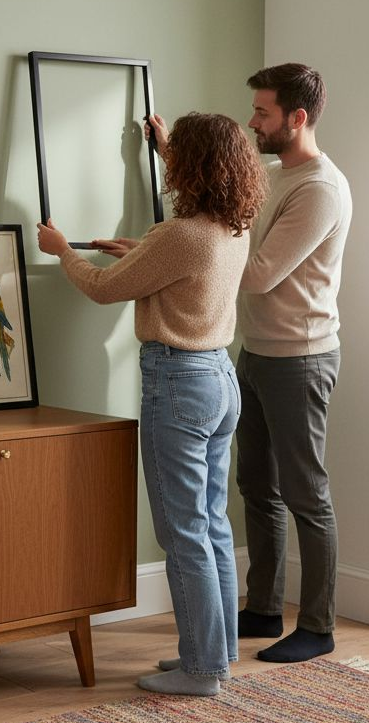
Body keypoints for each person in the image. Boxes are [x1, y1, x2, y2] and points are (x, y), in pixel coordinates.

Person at [37, 112, 267, 696]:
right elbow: (180, 266)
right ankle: (215, 652)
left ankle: (202, 671)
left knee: (183, 531)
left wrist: (62, 249)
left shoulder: (179, 235)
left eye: (175, 158)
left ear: (190, 167)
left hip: (177, 382)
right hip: (219, 379)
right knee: (210, 525)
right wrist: (141, 247)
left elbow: (101, 289)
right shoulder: (232, 227)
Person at [151, 63, 353, 664]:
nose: (252, 121)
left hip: (302, 357)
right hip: (255, 350)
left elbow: (260, 272)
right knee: (254, 487)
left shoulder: (319, 188)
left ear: (297, 118)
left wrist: (180, 257)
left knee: (305, 492)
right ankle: (263, 608)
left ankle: (317, 626)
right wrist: (173, 153)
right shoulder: (272, 173)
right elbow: (225, 206)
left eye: (263, 112)